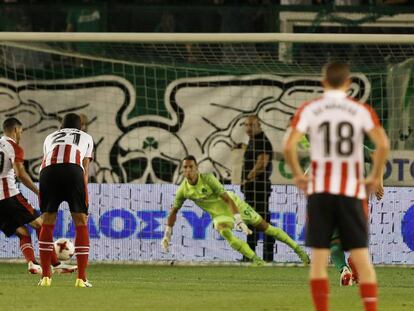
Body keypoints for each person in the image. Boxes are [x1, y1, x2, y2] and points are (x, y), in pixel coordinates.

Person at [284, 62, 389, 311]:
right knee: (362, 259)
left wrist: (299, 175)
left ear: (323, 83)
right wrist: (374, 177)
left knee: (319, 260)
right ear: (348, 84)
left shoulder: (310, 109)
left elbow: (289, 146)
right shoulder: (360, 110)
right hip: (351, 193)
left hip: (321, 192)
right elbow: (382, 146)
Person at [161, 155, 310, 265]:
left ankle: (299, 250)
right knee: (224, 230)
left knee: (265, 228)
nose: (188, 170)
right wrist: (167, 234)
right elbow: (173, 212)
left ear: (196, 168)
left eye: (190, 167)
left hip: (234, 204)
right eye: (185, 167)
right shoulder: (183, 190)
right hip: (219, 216)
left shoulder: (208, 179)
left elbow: (227, 199)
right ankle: (257, 261)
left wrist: (239, 221)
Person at [0, 118, 76, 275]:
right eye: (20, 132)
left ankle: (32, 263)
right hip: (10, 197)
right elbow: (20, 173)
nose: (20, 135)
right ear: (15, 130)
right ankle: (56, 264)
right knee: (41, 225)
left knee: (22, 233)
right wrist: (38, 192)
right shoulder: (13, 147)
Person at [38, 113, 94, 287]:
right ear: (81, 126)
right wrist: (85, 195)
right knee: (81, 222)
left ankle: (46, 277)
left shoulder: (49, 137)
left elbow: (47, 159)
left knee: (47, 222)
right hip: (73, 171)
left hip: (48, 172)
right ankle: (81, 278)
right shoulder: (86, 137)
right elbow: (85, 168)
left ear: (61, 126)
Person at [241, 115, 275, 262]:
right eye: (246, 125)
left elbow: (262, 162)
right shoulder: (253, 140)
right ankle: (251, 255)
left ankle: (264, 257)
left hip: (258, 189)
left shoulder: (262, 140)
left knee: (261, 222)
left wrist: (248, 178)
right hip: (252, 189)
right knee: (254, 221)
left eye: (251, 125)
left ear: (259, 126)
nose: (248, 128)